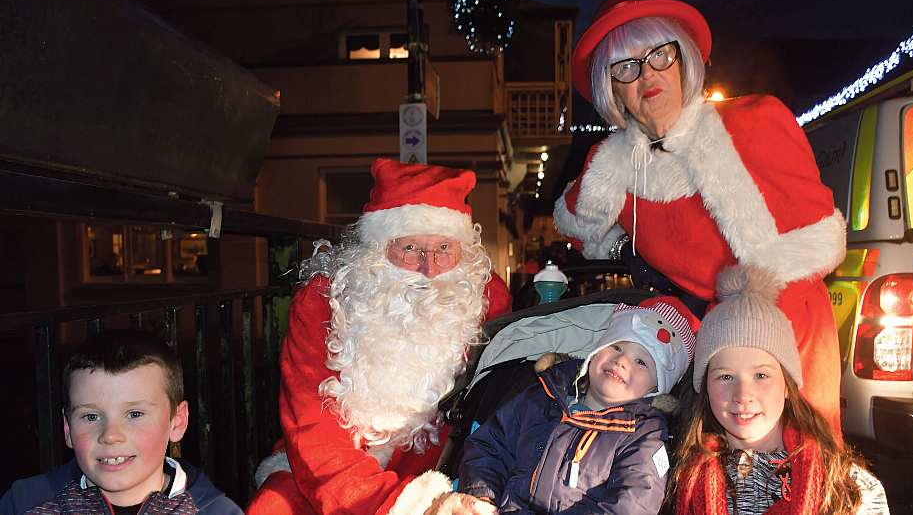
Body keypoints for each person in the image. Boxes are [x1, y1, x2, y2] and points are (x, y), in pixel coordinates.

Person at [552, 0, 845, 433]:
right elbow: (578, 222)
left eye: (659, 55)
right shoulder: (617, 170)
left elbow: (817, 245)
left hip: (792, 330)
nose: (647, 74)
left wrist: (746, 341)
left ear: (683, 58)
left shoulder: (756, 121)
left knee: (806, 470)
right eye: (626, 67)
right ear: (611, 88)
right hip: (708, 352)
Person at [246, 158, 513, 515]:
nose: (429, 269)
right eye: (411, 249)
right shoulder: (323, 300)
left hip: (438, 468)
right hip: (331, 468)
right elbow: (312, 430)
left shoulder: (481, 296)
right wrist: (394, 504)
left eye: (444, 249)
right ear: (377, 249)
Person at [671, 265, 888, 515]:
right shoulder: (683, 478)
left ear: (787, 385)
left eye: (761, 375)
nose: (743, 395)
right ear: (705, 387)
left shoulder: (848, 487)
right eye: (725, 376)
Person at [455, 297, 698, 515]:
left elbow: (633, 502)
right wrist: (482, 497)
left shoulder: (644, 437)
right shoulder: (543, 396)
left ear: (655, 389)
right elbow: (490, 445)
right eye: (616, 347)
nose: (621, 361)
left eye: (641, 362)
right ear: (595, 352)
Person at [0, 329, 241, 515]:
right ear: (67, 427)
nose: (111, 435)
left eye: (134, 414)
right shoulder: (24, 504)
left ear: (176, 422)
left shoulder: (216, 511)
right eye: (91, 417)